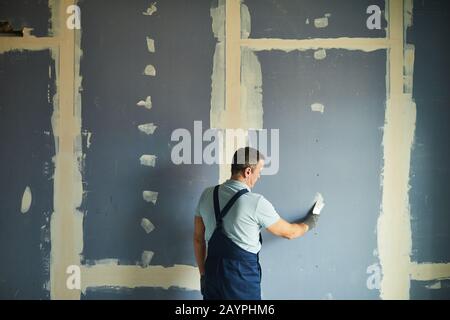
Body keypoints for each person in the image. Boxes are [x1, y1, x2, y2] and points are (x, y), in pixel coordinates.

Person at [193, 147, 321, 300]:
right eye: (259, 170)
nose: (259, 175)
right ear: (248, 171)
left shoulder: (207, 195)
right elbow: (290, 233)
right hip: (240, 280)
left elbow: (198, 239)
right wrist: (310, 221)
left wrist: (203, 275)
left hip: (212, 277)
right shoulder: (255, 202)